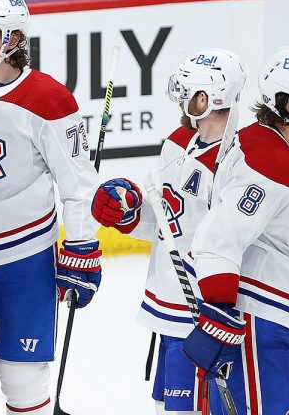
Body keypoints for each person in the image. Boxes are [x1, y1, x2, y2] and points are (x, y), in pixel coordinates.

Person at [0, 0, 103, 415]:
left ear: (13, 39)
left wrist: (83, 246)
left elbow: (78, 182)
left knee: (24, 378)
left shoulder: (49, 98)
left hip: (26, 258)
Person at [91, 48, 247, 414]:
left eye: (187, 90)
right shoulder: (179, 142)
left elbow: (232, 241)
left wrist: (219, 306)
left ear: (207, 98)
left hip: (201, 312)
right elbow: (166, 221)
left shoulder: (236, 160)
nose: (179, 96)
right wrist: (128, 211)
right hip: (170, 306)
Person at [185, 47, 289, 414]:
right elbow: (217, 240)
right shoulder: (267, 163)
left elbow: (282, 242)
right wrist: (219, 312)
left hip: (272, 315)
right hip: (251, 320)